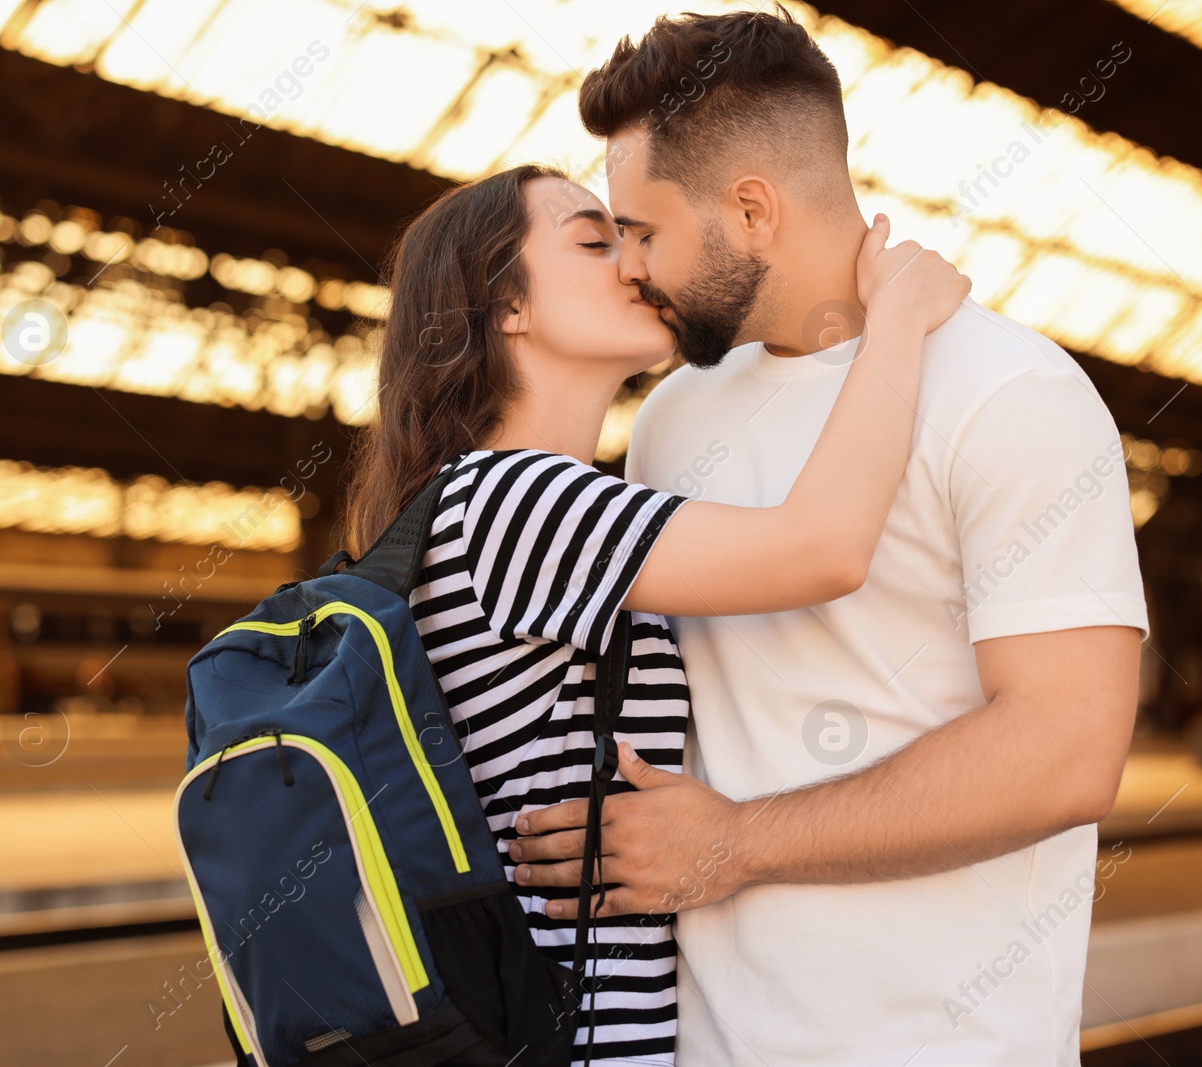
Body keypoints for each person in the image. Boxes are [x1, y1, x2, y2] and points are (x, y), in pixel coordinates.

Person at [507, 8, 1150, 1066]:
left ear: (752, 210)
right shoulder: (671, 420)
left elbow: (1068, 751)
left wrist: (735, 844)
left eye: (645, 232)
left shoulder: (1011, 391)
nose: (629, 268)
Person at [340, 161, 969, 1066]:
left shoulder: (475, 504)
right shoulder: (513, 500)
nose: (635, 264)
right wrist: (898, 323)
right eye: (596, 242)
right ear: (504, 304)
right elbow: (823, 546)